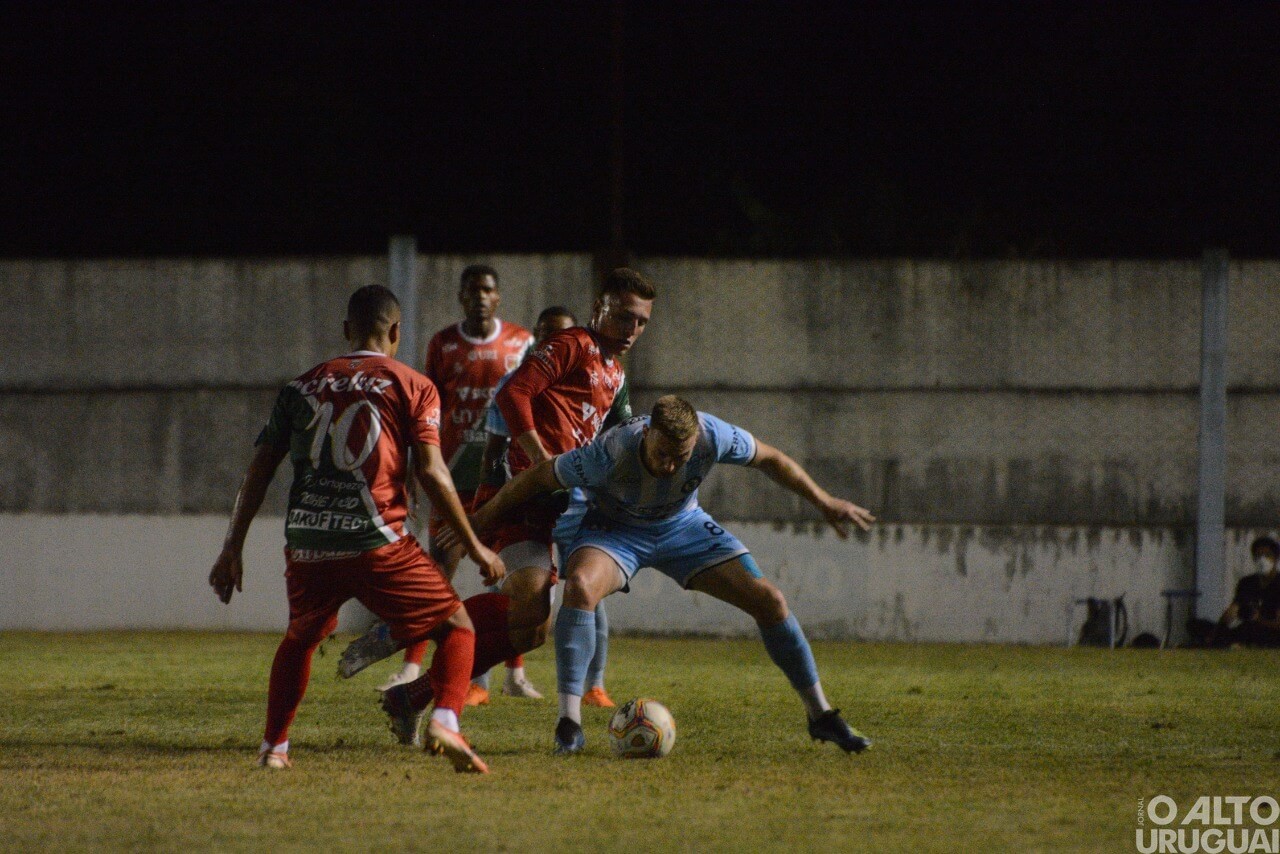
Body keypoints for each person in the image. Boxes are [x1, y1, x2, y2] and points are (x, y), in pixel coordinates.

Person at [466, 394, 876, 755]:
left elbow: (771, 458)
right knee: (580, 587)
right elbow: (539, 476)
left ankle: (821, 715)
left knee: (770, 600)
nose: (670, 465)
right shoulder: (610, 451)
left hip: (683, 527)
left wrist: (824, 501)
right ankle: (569, 724)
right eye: (662, 454)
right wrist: (477, 524)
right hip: (615, 532)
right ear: (647, 434)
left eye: (681, 457)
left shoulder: (713, 435)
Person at [207, 285, 503, 773]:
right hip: (376, 541)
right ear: (396, 331)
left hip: (308, 543)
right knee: (456, 627)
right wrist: (474, 545)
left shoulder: (301, 386)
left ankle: (274, 748)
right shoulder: (413, 385)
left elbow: (258, 470)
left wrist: (231, 546)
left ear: (347, 330)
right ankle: (445, 720)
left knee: (300, 639)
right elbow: (432, 470)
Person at [378, 268, 654, 735]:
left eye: (642, 322)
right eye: (624, 316)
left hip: (558, 504)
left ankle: (413, 695)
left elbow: (618, 437)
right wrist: (542, 460)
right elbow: (513, 393)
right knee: (528, 604)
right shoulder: (573, 344)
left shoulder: (616, 373)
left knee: (533, 628)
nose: (632, 329)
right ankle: (419, 624)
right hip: (520, 492)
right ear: (598, 309)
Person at [473, 305, 623, 709]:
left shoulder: (607, 376)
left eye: (561, 335)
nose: (554, 343)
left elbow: (611, 439)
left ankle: (593, 685)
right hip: (527, 500)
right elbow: (494, 452)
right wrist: (486, 506)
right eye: (547, 335)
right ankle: (473, 676)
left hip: (576, 503)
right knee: (519, 594)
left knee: (580, 593)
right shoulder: (515, 384)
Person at [1213, 536, 1280, 647]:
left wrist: (1258, 619)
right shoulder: (1247, 583)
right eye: (1258, 556)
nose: (1262, 560)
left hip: (1271, 633)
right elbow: (1233, 610)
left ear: (1275, 558)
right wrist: (1221, 626)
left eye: (1267, 555)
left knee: (1253, 630)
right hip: (1249, 628)